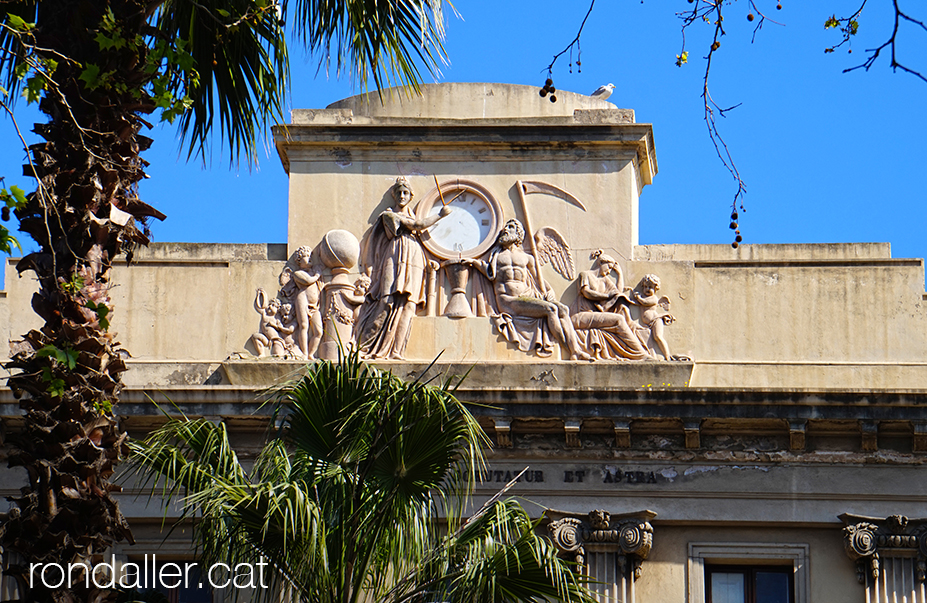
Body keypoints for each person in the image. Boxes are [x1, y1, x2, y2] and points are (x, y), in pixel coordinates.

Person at [467, 219, 592, 361]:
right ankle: (569, 349)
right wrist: (476, 263)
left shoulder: (527, 258)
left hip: (527, 295)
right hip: (508, 300)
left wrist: (549, 290)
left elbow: (538, 280)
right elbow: (490, 272)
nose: (506, 230)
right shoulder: (496, 256)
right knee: (551, 310)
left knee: (563, 310)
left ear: (519, 234)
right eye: (506, 227)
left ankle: (575, 350)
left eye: (511, 227)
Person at [356, 177, 451, 359]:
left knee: (409, 305)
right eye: (398, 192)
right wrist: (440, 215)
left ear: (410, 196)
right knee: (385, 300)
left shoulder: (412, 215)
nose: (401, 196)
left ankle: (397, 350)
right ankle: (365, 346)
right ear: (394, 194)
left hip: (414, 256)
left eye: (405, 192)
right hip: (394, 254)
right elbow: (416, 225)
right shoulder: (389, 215)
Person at [570, 250, 652, 361]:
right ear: (601, 263)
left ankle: (638, 352)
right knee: (618, 319)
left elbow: (617, 293)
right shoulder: (586, 275)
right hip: (581, 316)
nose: (609, 272)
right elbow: (586, 292)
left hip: (594, 316)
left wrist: (619, 274)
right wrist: (606, 296)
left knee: (622, 311)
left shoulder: (605, 280)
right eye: (608, 267)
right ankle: (640, 354)